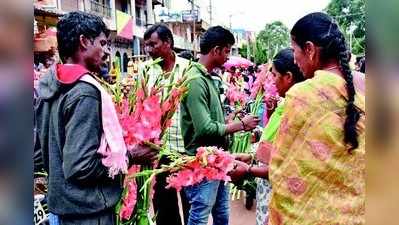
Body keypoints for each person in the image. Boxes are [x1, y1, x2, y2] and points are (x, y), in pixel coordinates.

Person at [34, 11, 155, 225]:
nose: (107, 51)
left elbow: (38, 154)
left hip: (63, 209)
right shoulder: (85, 93)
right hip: (87, 213)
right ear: (84, 42)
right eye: (103, 43)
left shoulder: (49, 86)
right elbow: (81, 166)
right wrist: (130, 156)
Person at [256, 12, 365, 225]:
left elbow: (283, 169)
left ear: (309, 49)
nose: (295, 60)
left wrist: (249, 169)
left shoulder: (302, 95)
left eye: (295, 51)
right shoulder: (366, 86)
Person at [180, 26, 260, 225]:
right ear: (215, 50)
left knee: (222, 213)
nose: (228, 57)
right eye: (226, 51)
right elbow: (205, 128)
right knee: (200, 214)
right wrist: (241, 125)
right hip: (204, 161)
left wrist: (231, 119)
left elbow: (212, 121)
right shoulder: (196, 80)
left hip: (218, 159)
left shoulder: (208, 78)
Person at [233, 48, 305, 225]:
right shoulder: (284, 105)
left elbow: (288, 167)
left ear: (288, 77)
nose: (270, 81)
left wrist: (248, 169)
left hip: (282, 198)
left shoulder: (297, 110)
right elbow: (275, 149)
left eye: (274, 75)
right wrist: (251, 158)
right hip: (269, 192)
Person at [142, 23, 191, 225]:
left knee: (191, 206)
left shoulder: (189, 69)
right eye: (146, 46)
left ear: (168, 43)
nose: (148, 50)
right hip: (159, 152)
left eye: (153, 45)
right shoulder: (146, 71)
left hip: (187, 151)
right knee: (164, 208)